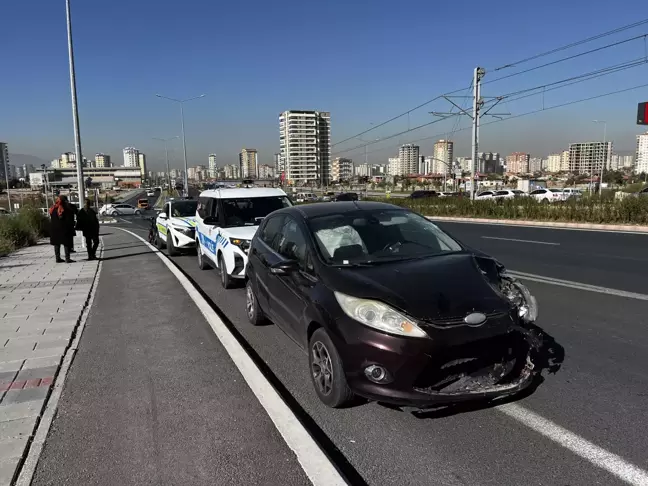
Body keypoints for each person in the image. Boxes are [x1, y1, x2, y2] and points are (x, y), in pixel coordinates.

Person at [49, 195, 76, 263]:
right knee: (66, 243)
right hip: (64, 229)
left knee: (56, 244)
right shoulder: (66, 208)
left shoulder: (53, 208)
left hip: (54, 229)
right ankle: (67, 258)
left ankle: (57, 258)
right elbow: (69, 218)